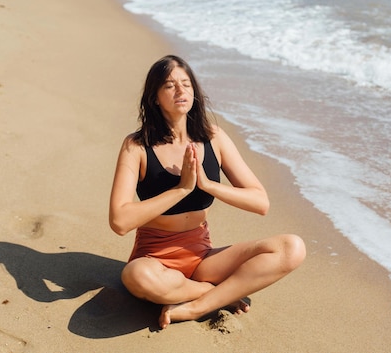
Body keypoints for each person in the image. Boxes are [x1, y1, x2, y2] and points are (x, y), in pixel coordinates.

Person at [108, 55, 306, 329]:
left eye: (186, 84)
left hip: (202, 257)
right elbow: (119, 221)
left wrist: (209, 185)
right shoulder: (137, 146)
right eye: (169, 85)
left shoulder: (213, 138)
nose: (180, 91)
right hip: (155, 258)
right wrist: (182, 189)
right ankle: (217, 295)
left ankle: (195, 306)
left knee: (291, 248)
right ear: (154, 97)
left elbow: (260, 202)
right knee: (136, 277)